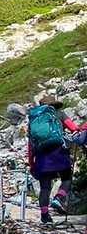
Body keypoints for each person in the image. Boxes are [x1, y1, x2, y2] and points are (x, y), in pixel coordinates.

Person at [26, 95, 86, 224]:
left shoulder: (34, 119)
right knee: (67, 178)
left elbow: (30, 144)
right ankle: (58, 198)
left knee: (45, 187)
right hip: (59, 153)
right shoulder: (59, 113)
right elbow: (73, 128)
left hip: (41, 157)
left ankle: (44, 215)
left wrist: (31, 163)